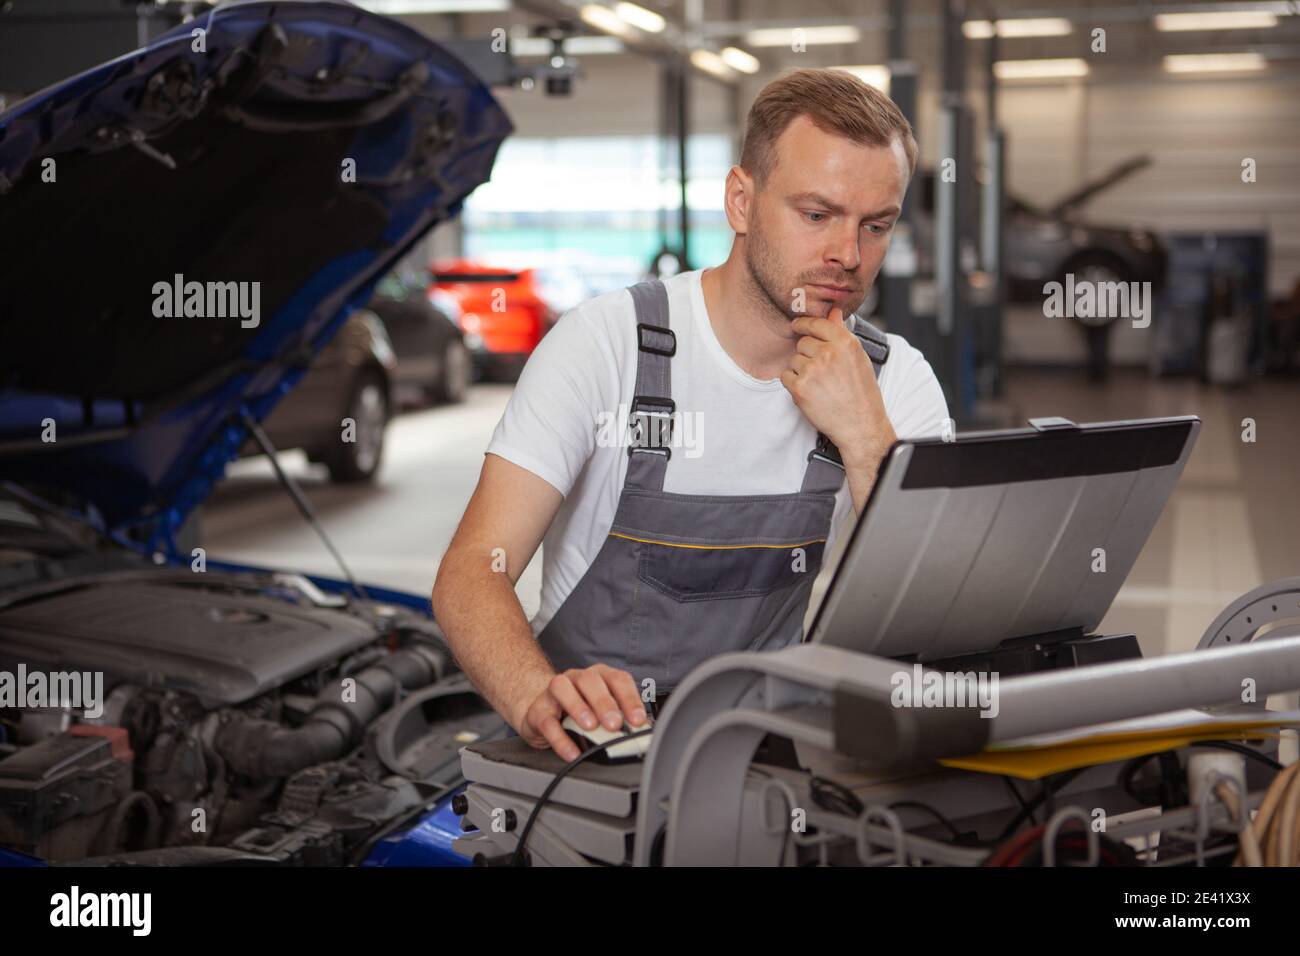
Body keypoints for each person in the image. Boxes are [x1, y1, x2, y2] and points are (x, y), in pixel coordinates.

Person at [431, 68, 949, 762]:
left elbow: (935, 620)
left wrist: (865, 440)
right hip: (586, 763)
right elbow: (473, 569)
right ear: (741, 200)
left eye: (875, 226)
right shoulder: (605, 345)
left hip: (765, 761)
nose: (848, 257)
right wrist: (537, 695)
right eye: (817, 214)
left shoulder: (895, 381)